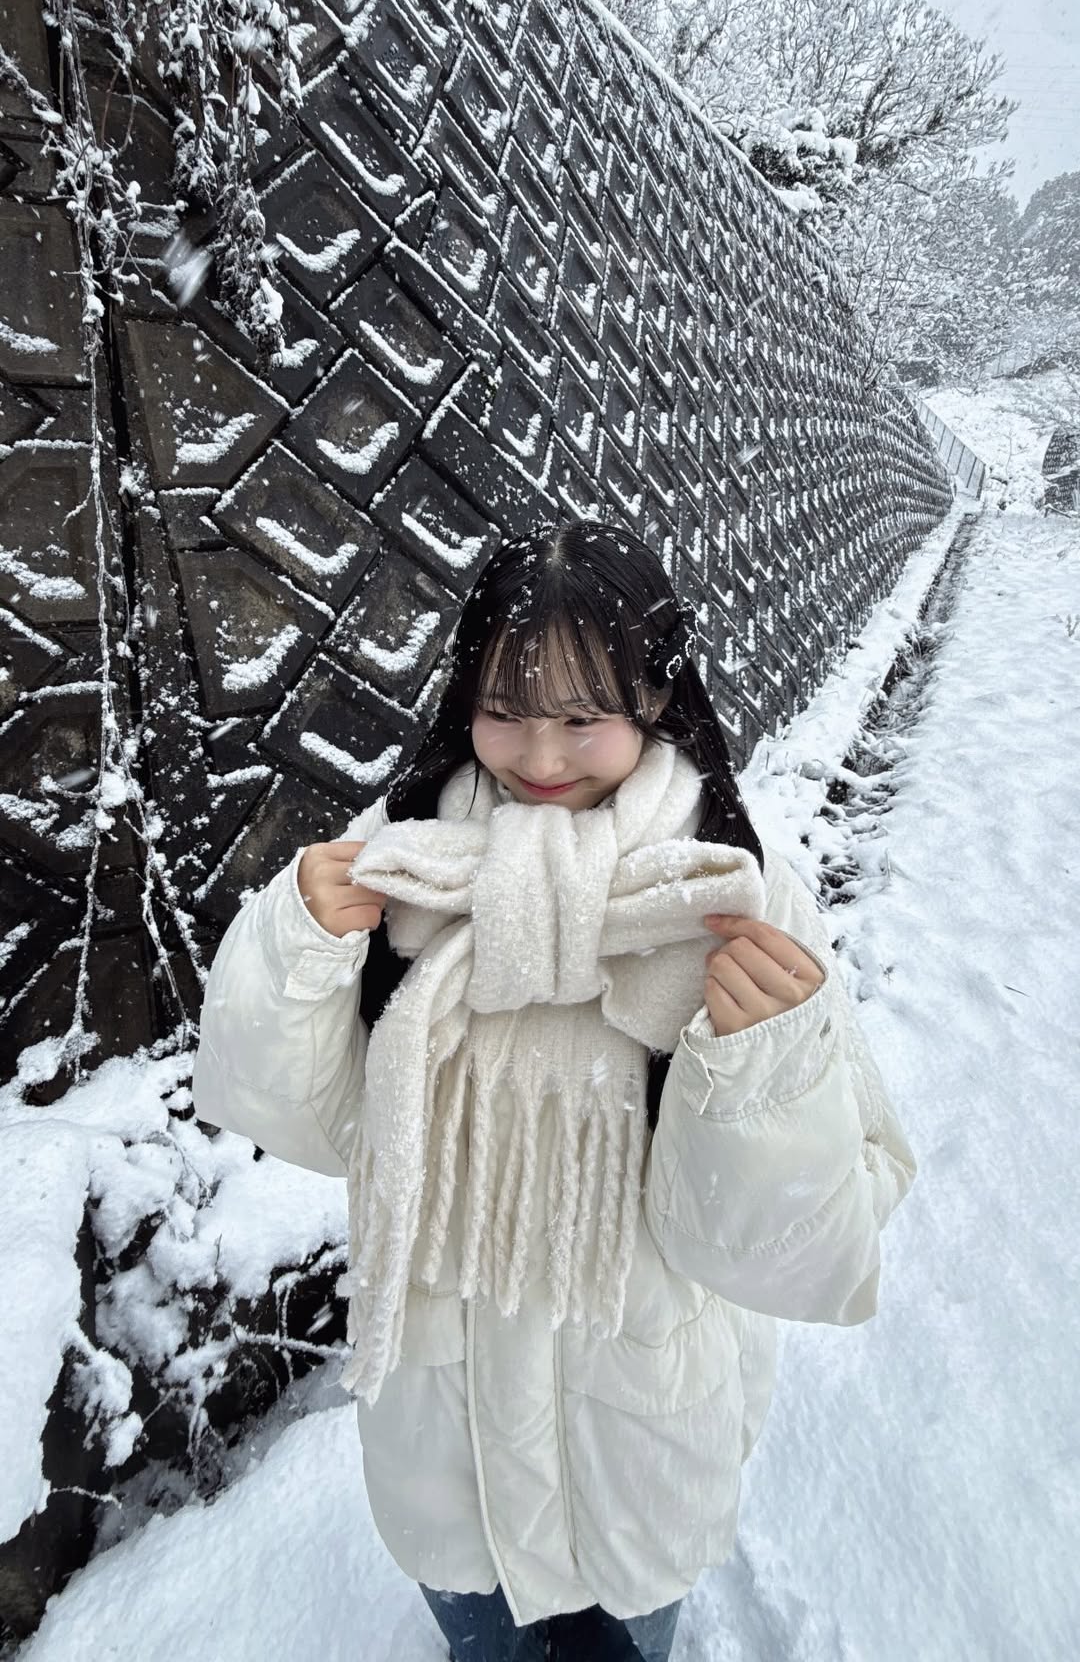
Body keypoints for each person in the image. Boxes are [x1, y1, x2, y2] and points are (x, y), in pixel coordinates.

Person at [193, 519, 916, 1662]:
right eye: (505, 706)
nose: (538, 752)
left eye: (584, 717)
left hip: (637, 1448)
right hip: (445, 1454)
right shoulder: (403, 861)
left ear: (657, 699)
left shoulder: (730, 894)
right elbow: (309, 1119)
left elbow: (802, 1253)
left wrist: (761, 1072)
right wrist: (295, 949)